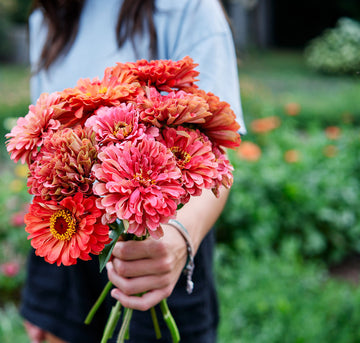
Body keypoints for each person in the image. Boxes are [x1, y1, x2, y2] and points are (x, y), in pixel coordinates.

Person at [20, 0, 247, 342]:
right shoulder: (50, 16)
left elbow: (214, 157)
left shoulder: (189, 7)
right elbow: (45, 158)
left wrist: (179, 240)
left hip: (162, 244)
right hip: (71, 245)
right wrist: (43, 293)